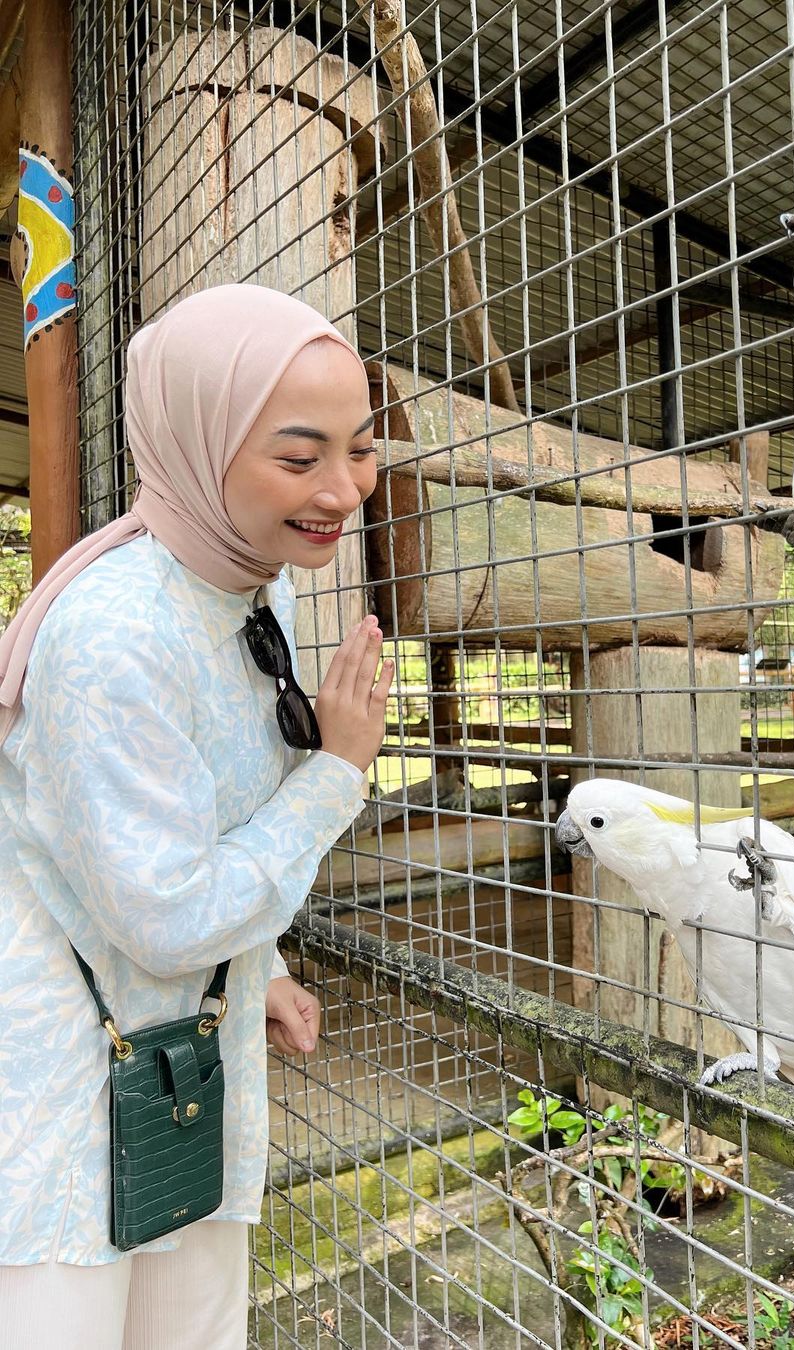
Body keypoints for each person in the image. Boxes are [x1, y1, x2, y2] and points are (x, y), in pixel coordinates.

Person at [0, 284, 394, 1348]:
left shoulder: (255, 585)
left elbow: (196, 836)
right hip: (64, 1091)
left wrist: (252, 965)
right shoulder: (116, 634)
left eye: (360, 448)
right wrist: (337, 774)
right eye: (299, 457)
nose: (344, 489)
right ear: (194, 442)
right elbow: (166, 912)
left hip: (180, 1055)